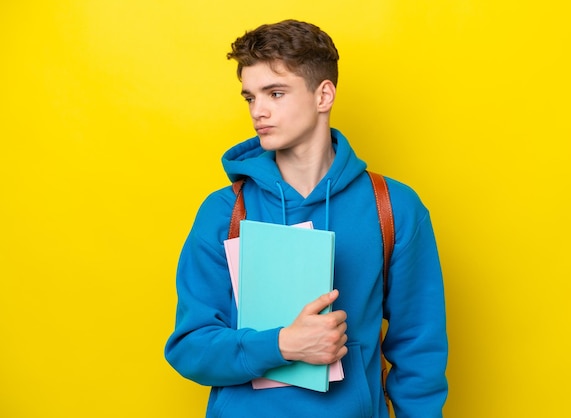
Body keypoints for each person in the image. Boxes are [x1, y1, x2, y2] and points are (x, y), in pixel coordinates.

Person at [165, 19, 448, 417]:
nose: (258, 111)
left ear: (323, 95)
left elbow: (419, 349)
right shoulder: (224, 211)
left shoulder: (394, 207)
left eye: (275, 93)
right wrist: (282, 346)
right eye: (249, 98)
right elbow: (190, 348)